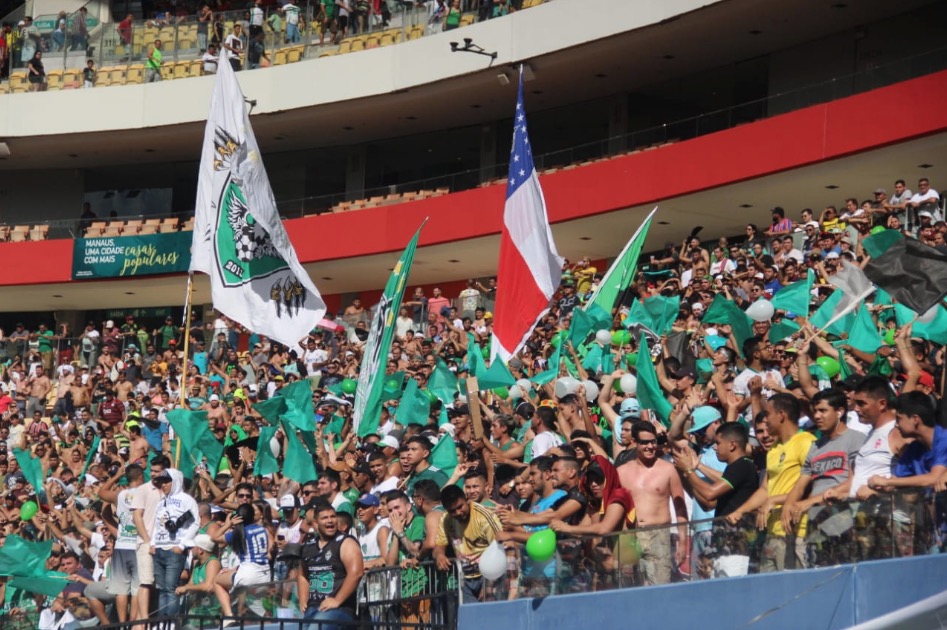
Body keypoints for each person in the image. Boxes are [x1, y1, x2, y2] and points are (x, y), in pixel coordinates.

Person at [727, 394, 816, 572]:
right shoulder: (774, 450)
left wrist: (774, 500)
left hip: (797, 531)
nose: (765, 420)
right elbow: (766, 489)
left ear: (781, 414)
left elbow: (811, 485)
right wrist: (740, 511)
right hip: (772, 533)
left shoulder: (806, 441)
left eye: (768, 413)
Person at [616, 420, 687, 585]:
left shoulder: (668, 469)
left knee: (660, 590)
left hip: (659, 535)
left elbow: (680, 507)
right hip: (630, 535)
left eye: (653, 441)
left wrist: (682, 541)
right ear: (634, 442)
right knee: (629, 590)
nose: (650, 446)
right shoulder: (621, 471)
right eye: (644, 442)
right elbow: (615, 509)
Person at [298, 502, 364, 629]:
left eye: (332, 517)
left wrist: (337, 600)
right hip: (313, 607)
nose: (330, 521)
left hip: (340, 609)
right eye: (325, 518)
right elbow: (302, 575)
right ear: (316, 524)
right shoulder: (308, 546)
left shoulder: (346, 542)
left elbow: (356, 573)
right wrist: (303, 599)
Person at [434, 484, 501, 602]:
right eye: (452, 511)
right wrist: (439, 555)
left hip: (487, 576)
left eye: (460, 507)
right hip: (464, 579)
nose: (458, 512)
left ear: (466, 499)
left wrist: (489, 584)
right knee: (470, 618)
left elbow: (500, 548)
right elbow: (439, 546)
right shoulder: (446, 519)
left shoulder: (483, 516)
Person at [150, 468, 199, 616]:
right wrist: (153, 543)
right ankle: (161, 622)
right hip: (159, 549)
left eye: (166, 481)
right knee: (161, 588)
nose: (163, 485)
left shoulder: (187, 500)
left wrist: (182, 545)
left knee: (171, 589)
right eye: (161, 482)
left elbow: (195, 523)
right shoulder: (161, 502)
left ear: (175, 481)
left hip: (174, 550)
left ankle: (170, 622)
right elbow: (157, 525)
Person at [212, 503, 271, 619]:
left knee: (217, 581)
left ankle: (229, 618)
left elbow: (214, 538)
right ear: (253, 516)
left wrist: (228, 524)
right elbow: (255, 555)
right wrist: (235, 569)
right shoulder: (263, 530)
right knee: (258, 609)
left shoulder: (238, 533)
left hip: (248, 576)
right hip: (266, 576)